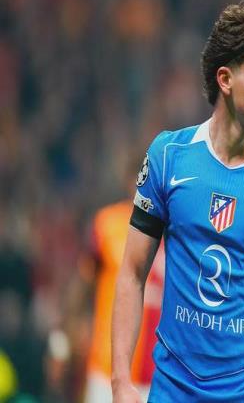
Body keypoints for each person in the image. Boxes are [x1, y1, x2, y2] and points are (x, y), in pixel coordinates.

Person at [111, 4, 244, 402]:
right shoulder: (168, 156)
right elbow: (133, 273)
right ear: (225, 79)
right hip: (173, 388)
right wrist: (121, 380)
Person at [83, 161, 164, 402]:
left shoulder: (176, 232)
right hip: (108, 368)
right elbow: (83, 285)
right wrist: (66, 335)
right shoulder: (107, 224)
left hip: (158, 374)